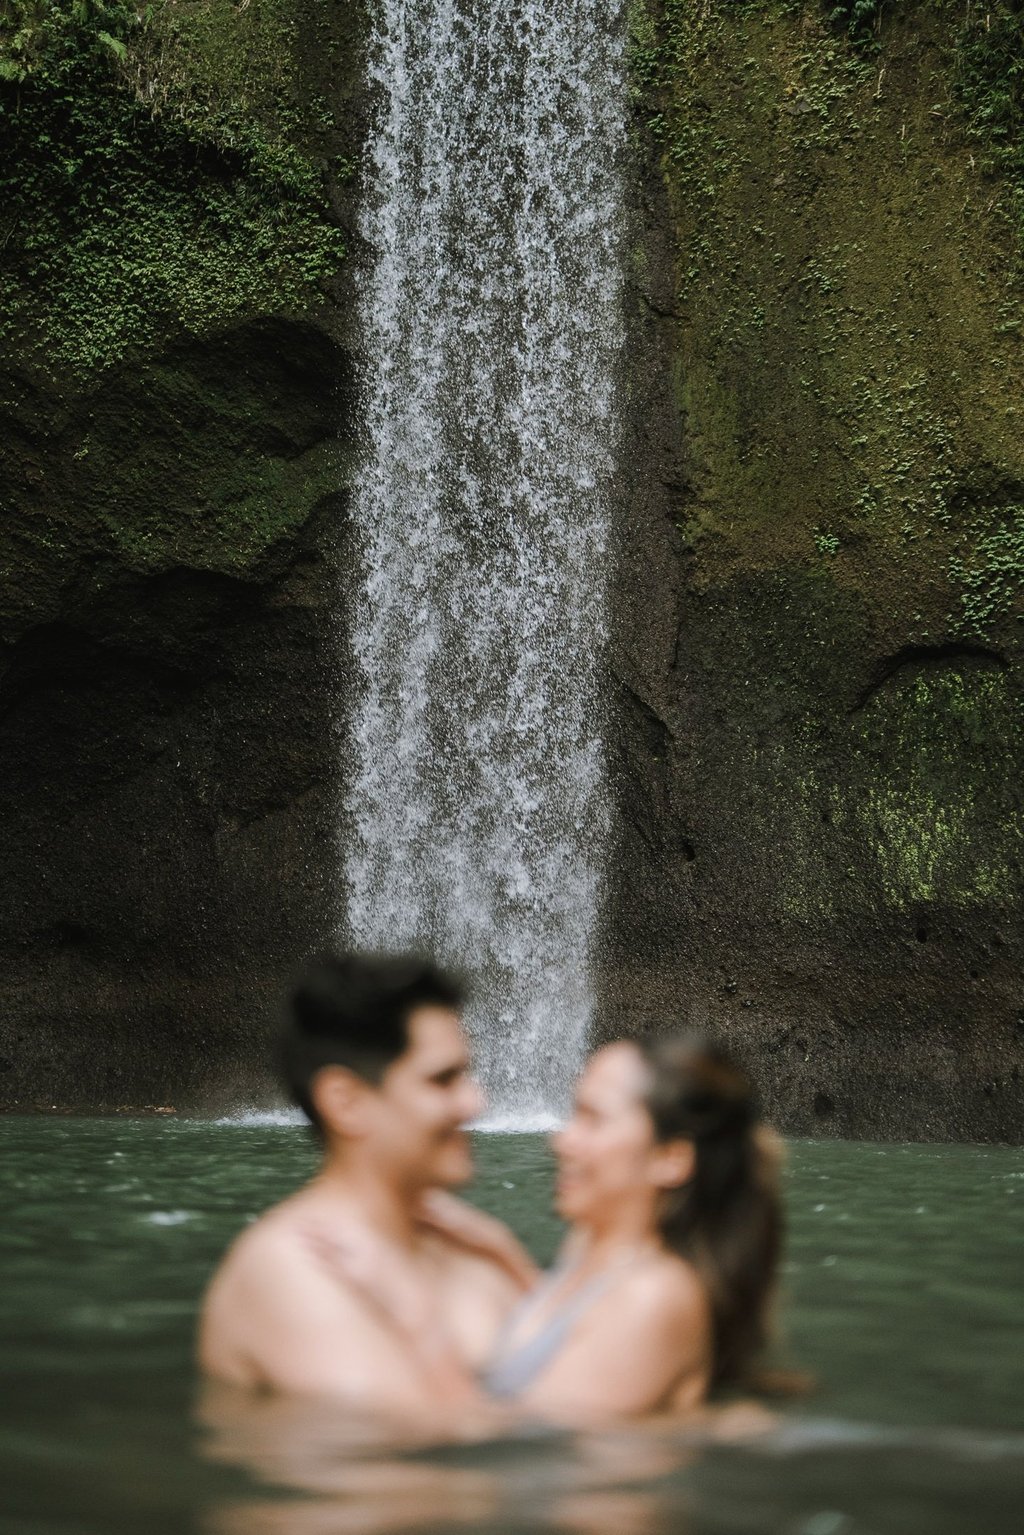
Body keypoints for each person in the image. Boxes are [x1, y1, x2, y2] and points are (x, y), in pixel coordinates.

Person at [329, 1033, 782, 1424]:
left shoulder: (653, 1297)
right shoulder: (590, 1248)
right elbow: (570, 1337)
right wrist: (498, 1249)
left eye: (593, 1119)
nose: (562, 1140)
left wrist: (408, 1309)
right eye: (573, 1114)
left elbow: (523, 1447)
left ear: (671, 1158)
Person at [198, 954, 534, 1421]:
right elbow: (393, 1453)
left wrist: (508, 1256)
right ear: (346, 1102)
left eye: (466, 1075)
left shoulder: (471, 1249)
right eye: (442, 1080)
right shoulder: (291, 1269)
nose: (474, 1103)